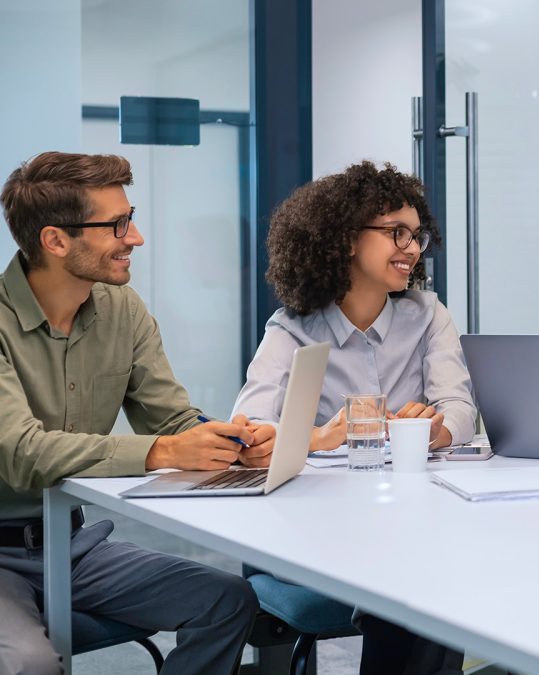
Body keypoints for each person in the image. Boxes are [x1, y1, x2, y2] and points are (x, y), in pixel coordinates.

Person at [0, 152, 266, 674]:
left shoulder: (123, 310)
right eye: (117, 225)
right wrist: (165, 451)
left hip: (71, 546)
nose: (136, 238)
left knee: (226, 600)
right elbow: (22, 453)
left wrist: (231, 441)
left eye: (132, 219)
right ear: (55, 241)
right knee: (30, 664)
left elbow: (171, 422)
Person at [231, 160, 472, 675]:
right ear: (344, 239)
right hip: (317, 529)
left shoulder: (428, 315)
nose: (412, 248)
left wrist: (437, 430)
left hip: (412, 520)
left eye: (417, 235)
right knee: (419, 578)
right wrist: (320, 437)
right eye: (395, 232)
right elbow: (247, 431)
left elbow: (460, 408)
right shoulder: (292, 328)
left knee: (425, 571)